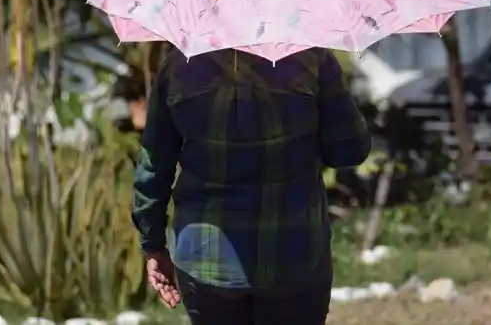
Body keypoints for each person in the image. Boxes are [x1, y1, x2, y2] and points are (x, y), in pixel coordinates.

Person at [131, 47, 371, 325]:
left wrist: (154, 245)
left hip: (206, 259)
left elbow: (154, 165)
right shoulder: (313, 60)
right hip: (295, 254)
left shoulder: (179, 67)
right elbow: (349, 152)